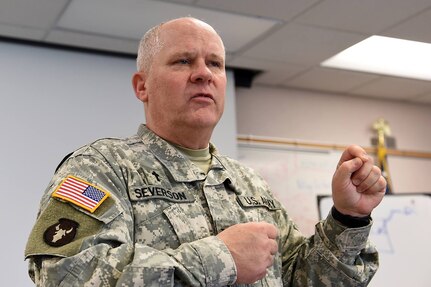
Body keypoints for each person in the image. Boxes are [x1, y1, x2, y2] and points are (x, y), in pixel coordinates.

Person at [25, 17, 386, 286]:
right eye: (183, 61)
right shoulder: (101, 168)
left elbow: (304, 279)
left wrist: (348, 218)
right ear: (142, 85)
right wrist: (220, 257)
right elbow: (65, 276)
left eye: (214, 63)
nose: (203, 74)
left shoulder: (248, 184)